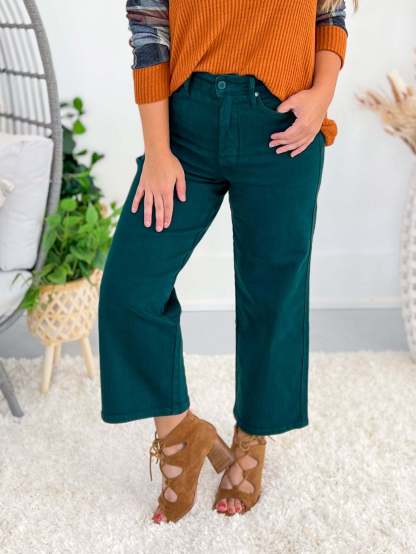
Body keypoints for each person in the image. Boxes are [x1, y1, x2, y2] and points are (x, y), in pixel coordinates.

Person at [98, 0, 355, 524]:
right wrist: (158, 150)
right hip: (185, 127)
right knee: (129, 287)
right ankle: (180, 434)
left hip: (284, 125)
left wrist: (322, 96)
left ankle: (252, 436)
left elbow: (330, 14)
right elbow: (148, 27)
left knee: (272, 295)